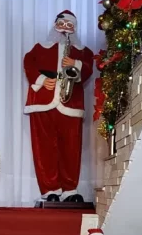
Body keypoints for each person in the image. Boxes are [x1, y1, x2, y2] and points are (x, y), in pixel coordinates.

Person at [23, 10, 94, 202]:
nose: (64, 30)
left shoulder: (83, 51)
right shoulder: (39, 48)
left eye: (69, 26)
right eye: (61, 25)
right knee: (44, 148)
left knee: (71, 148)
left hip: (71, 104)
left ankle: (70, 190)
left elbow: (88, 68)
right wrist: (41, 80)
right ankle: (50, 189)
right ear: (55, 25)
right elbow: (28, 62)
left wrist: (75, 63)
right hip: (43, 103)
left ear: (75, 28)